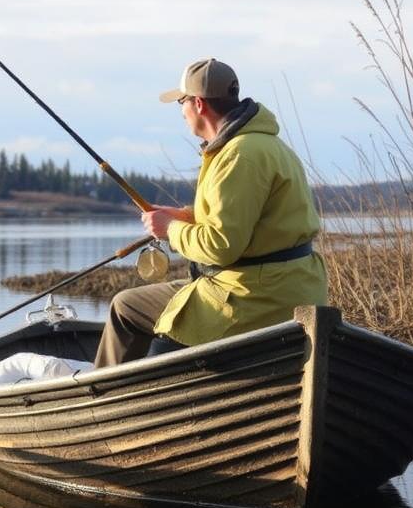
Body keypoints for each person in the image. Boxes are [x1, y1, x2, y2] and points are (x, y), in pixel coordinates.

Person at [93, 58, 328, 368]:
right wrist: (184, 216)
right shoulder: (265, 145)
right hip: (290, 288)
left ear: (199, 104)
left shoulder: (238, 155)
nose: (180, 110)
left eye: (181, 101)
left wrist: (170, 230)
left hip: (253, 299)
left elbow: (220, 247)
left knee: (124, 308)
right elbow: (250, 220)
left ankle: (103, 401)